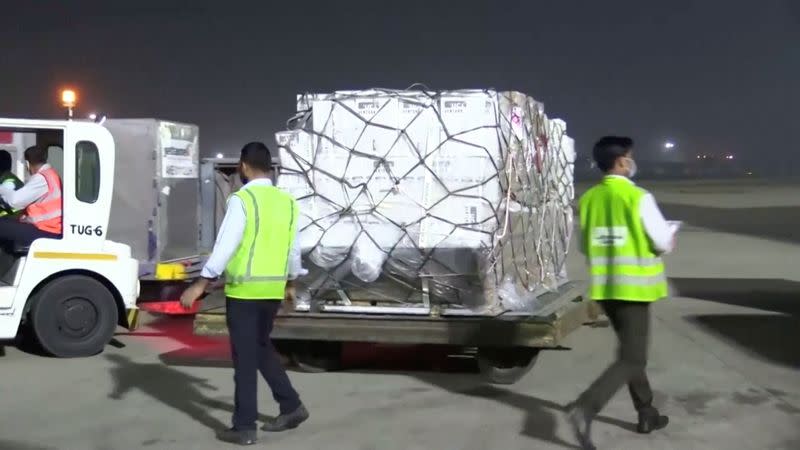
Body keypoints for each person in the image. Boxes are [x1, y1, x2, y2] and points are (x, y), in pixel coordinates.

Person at [181, 141, 309, 446]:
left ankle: (244, 426)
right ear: (270, 166)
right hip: (272, 290)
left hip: (245, 292)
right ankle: (291, 406)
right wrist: (290, 282)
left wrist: (201, 282)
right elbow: (293, 250)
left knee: (245, 359)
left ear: (243, 166)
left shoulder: (243, 200)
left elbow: (226, 245)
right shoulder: (288, 202)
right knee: (261, 348)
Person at [567, 136, 673, 450]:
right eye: (630, 156)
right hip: (635, 290)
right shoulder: (638, 197)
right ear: (622, 161)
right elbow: (662, 242)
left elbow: (587, 246)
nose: (632, 161)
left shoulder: (589, 199)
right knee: (632, 357)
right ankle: (586, 406)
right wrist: (668, 238)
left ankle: (646, 412)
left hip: (606, 289)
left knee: (629, 353)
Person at [0, 145, 62, 249]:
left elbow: (14, 201)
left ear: (27, 164)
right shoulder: (50, 174)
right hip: (46, 227)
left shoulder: (42, 178)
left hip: (46, 230)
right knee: (5, 222)